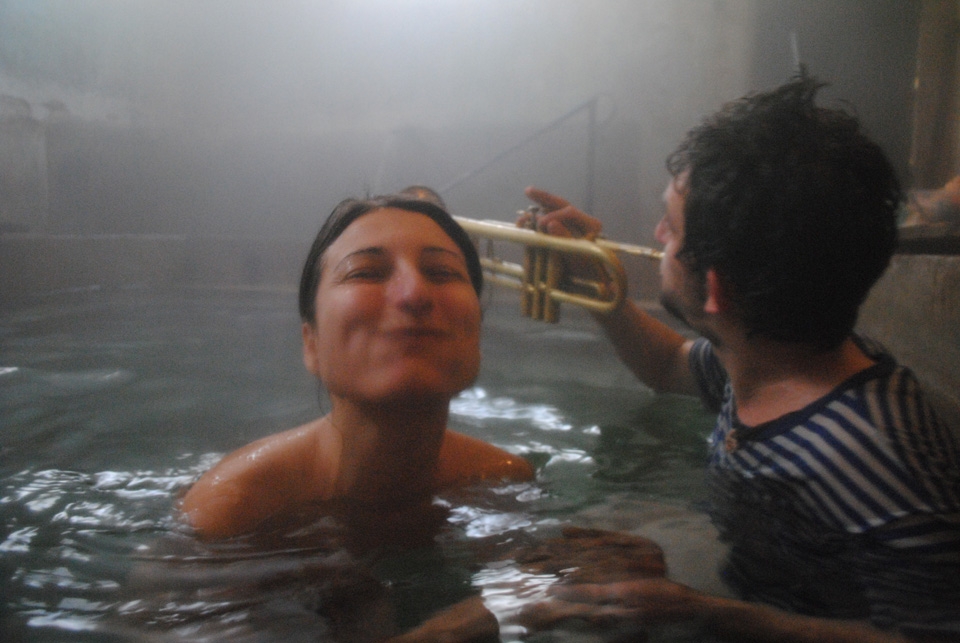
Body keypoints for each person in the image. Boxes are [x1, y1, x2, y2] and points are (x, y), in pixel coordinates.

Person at [517, 75, 960, 642]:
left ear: (716, 291)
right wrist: (601, 292)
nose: (655, 236)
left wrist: (710, 613)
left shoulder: (868, 456)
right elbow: (667, 365)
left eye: (670, 228)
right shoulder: (774, 356)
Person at [179, 193, 534, 542]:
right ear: (311, 343)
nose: (414, 294)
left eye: (442, 272)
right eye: (365, 272)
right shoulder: (232, 509)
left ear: (477, 337)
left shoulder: (500, 482)